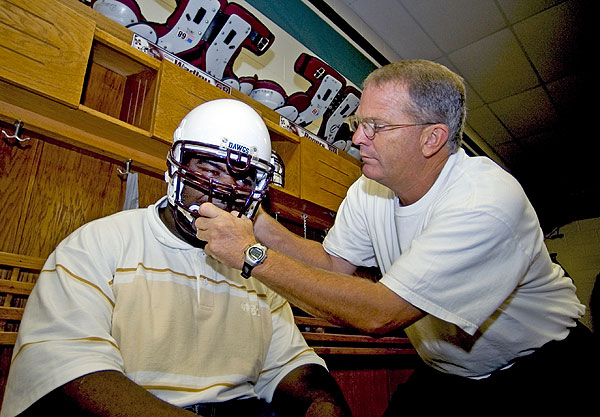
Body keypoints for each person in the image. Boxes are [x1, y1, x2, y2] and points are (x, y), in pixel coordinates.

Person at [194, 61, 597, 410]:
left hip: (542, 366)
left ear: (432, 138)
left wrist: (250, 255)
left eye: (376, 126)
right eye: (358, 123)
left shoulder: (486, 201)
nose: (356, 138)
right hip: (449, 369)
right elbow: (333, 264)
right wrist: (257, 220)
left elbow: (381, 313)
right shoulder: (369, 188)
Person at [1, 99, 351, 417]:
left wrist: (322, 406)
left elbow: (293, 369)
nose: (224, 189)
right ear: (175, 167)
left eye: (241, 178)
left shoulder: (259, 270)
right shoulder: (98, 244)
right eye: (210, 170)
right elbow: (72, 375)